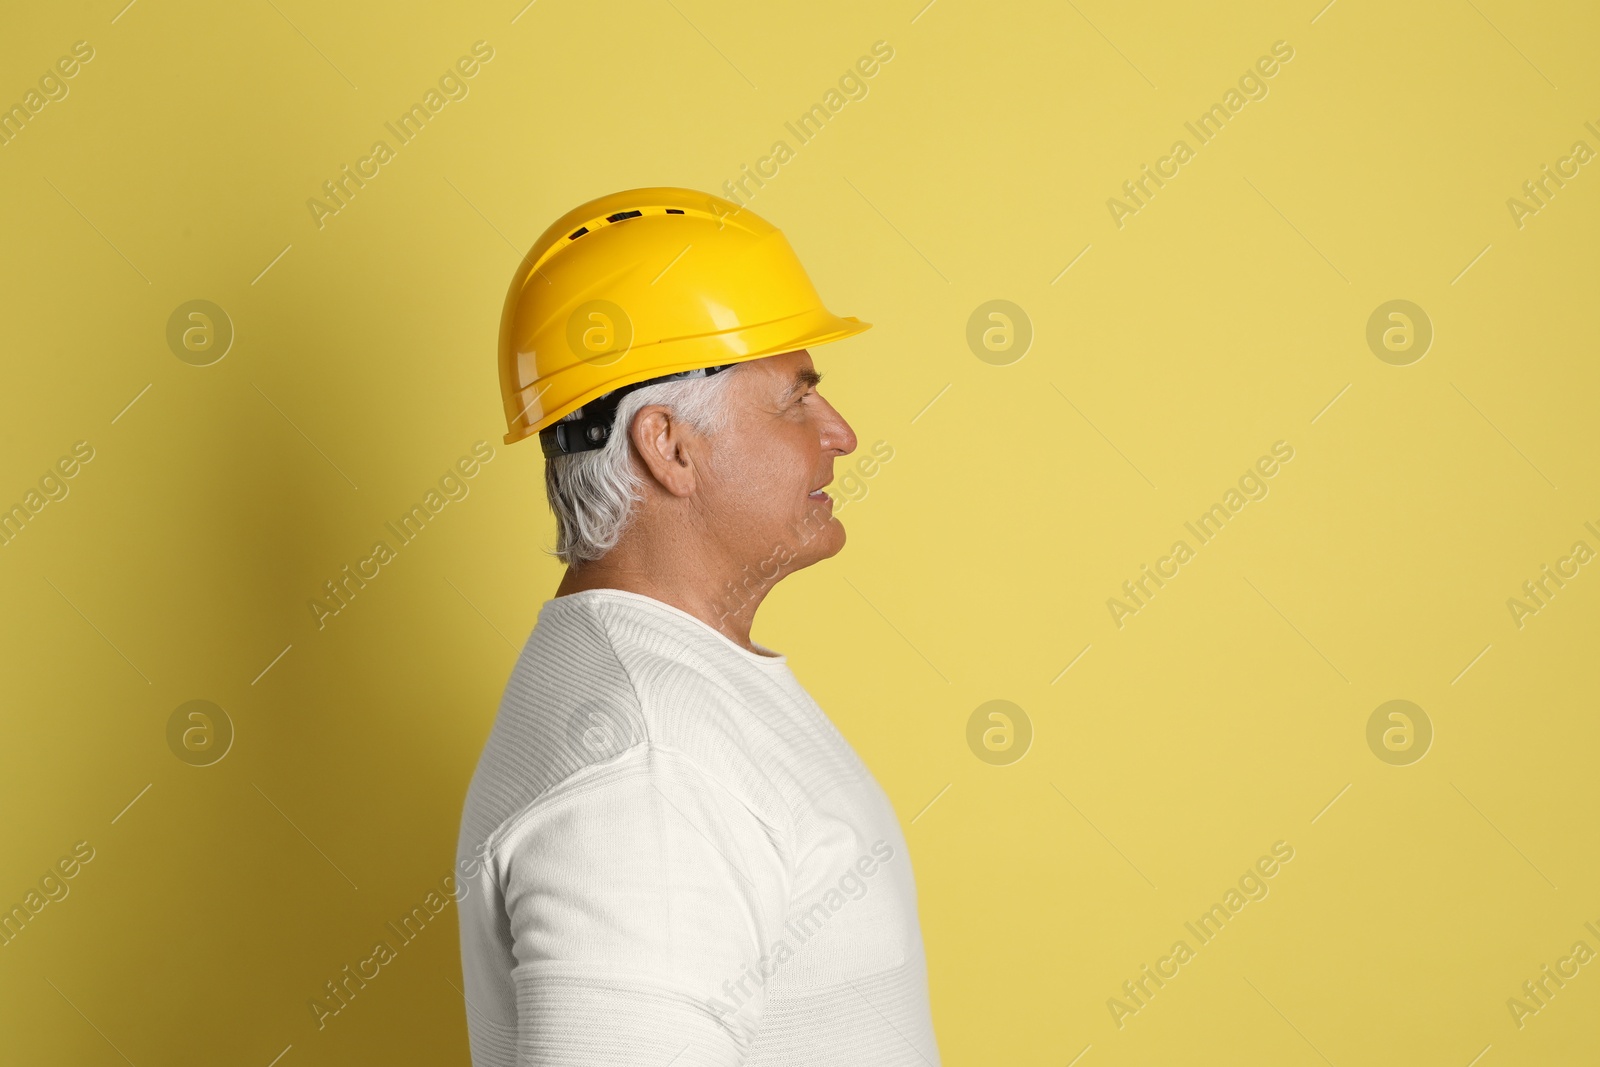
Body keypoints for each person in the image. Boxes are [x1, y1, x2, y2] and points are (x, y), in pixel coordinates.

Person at [454, 187, 942, 1065]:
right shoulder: (645, 771)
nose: (842, 434)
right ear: (668, 445)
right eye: (798, 400)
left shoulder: (673, 697)